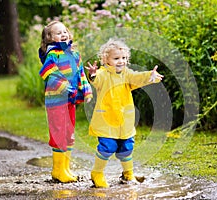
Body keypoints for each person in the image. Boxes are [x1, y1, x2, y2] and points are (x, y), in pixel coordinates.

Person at [85, 38, 164, 188]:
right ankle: (97, 173)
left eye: (123, 58)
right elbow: (96, 80)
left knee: (127, 147)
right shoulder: (103, 74)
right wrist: (93, 75)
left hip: (125, 121)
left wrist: (149, 75)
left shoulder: (127, 74)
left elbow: (137, 77)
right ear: (105, 59)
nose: (120, 61)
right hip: (107, 120)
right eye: (116, 58)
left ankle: (128, 174)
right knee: (107, 146)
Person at [38, 21, 92, 183]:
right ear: (50, 38)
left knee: (69, 133)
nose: (63, 34)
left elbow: (81, 74)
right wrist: (65, 86)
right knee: (59, 132)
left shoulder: (74, 55)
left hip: (71, 101)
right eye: (58, 33)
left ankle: (65, 169)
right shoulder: (52, 55)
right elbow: (47, 72)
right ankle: (57, 170)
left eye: (64, 31)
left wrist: (86, 90)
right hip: (56, 100)